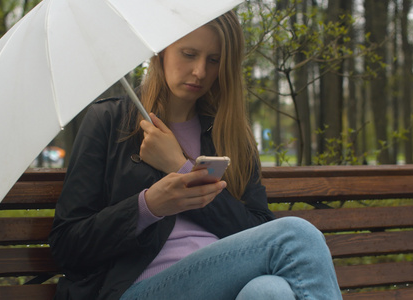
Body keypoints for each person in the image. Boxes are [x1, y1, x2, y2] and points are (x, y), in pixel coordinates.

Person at [48, 10, 342, 300]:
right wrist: (148, 206)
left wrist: (180, 166)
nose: (200, 71)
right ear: (161, 51)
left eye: (214, 60)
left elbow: (258, 230)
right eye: (189, 54)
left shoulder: (228, 134)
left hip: (225, 283)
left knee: (269, 292)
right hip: (134, 288)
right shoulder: (110, 121)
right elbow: (67, 246)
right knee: (296, 237)